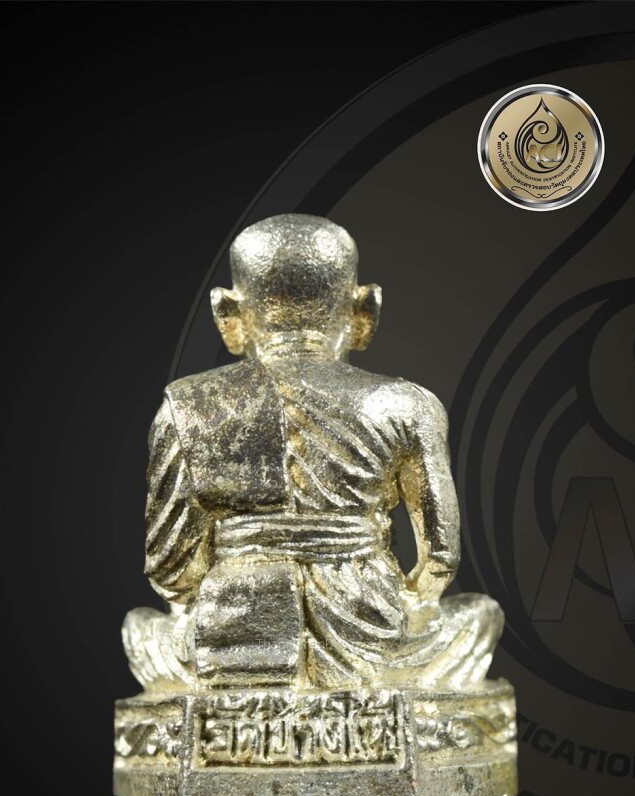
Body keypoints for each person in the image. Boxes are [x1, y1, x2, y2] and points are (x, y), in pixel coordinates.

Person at [123, 214, 503, 693]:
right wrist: (411, 604)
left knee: (141, 629)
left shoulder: (190, 406)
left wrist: (202, 605)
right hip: (370, 634)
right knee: (479, 616)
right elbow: (441, 558)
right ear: (365, 309)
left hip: (231, 634)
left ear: (228, 314)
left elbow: (171, 570)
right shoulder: (406, 405)